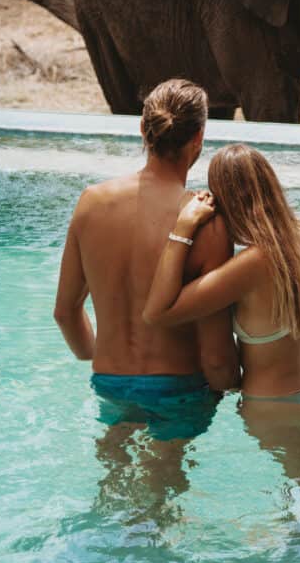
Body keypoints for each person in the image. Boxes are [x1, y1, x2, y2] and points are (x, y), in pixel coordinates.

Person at [53, 78, 240, 449]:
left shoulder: (91, 202)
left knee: (111, 489)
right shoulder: (207, 221)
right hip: (179, 387)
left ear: (142, 128)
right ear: (199, 138)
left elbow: (65, 312)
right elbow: (216, 354)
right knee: (163, 495)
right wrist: (237, 389)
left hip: (109, 381)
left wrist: (102, 355)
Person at [143, 143, 300, 403]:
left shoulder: (254, 264)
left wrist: (183, 229)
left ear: (227, 201)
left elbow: (157, 313)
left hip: (273, 404)